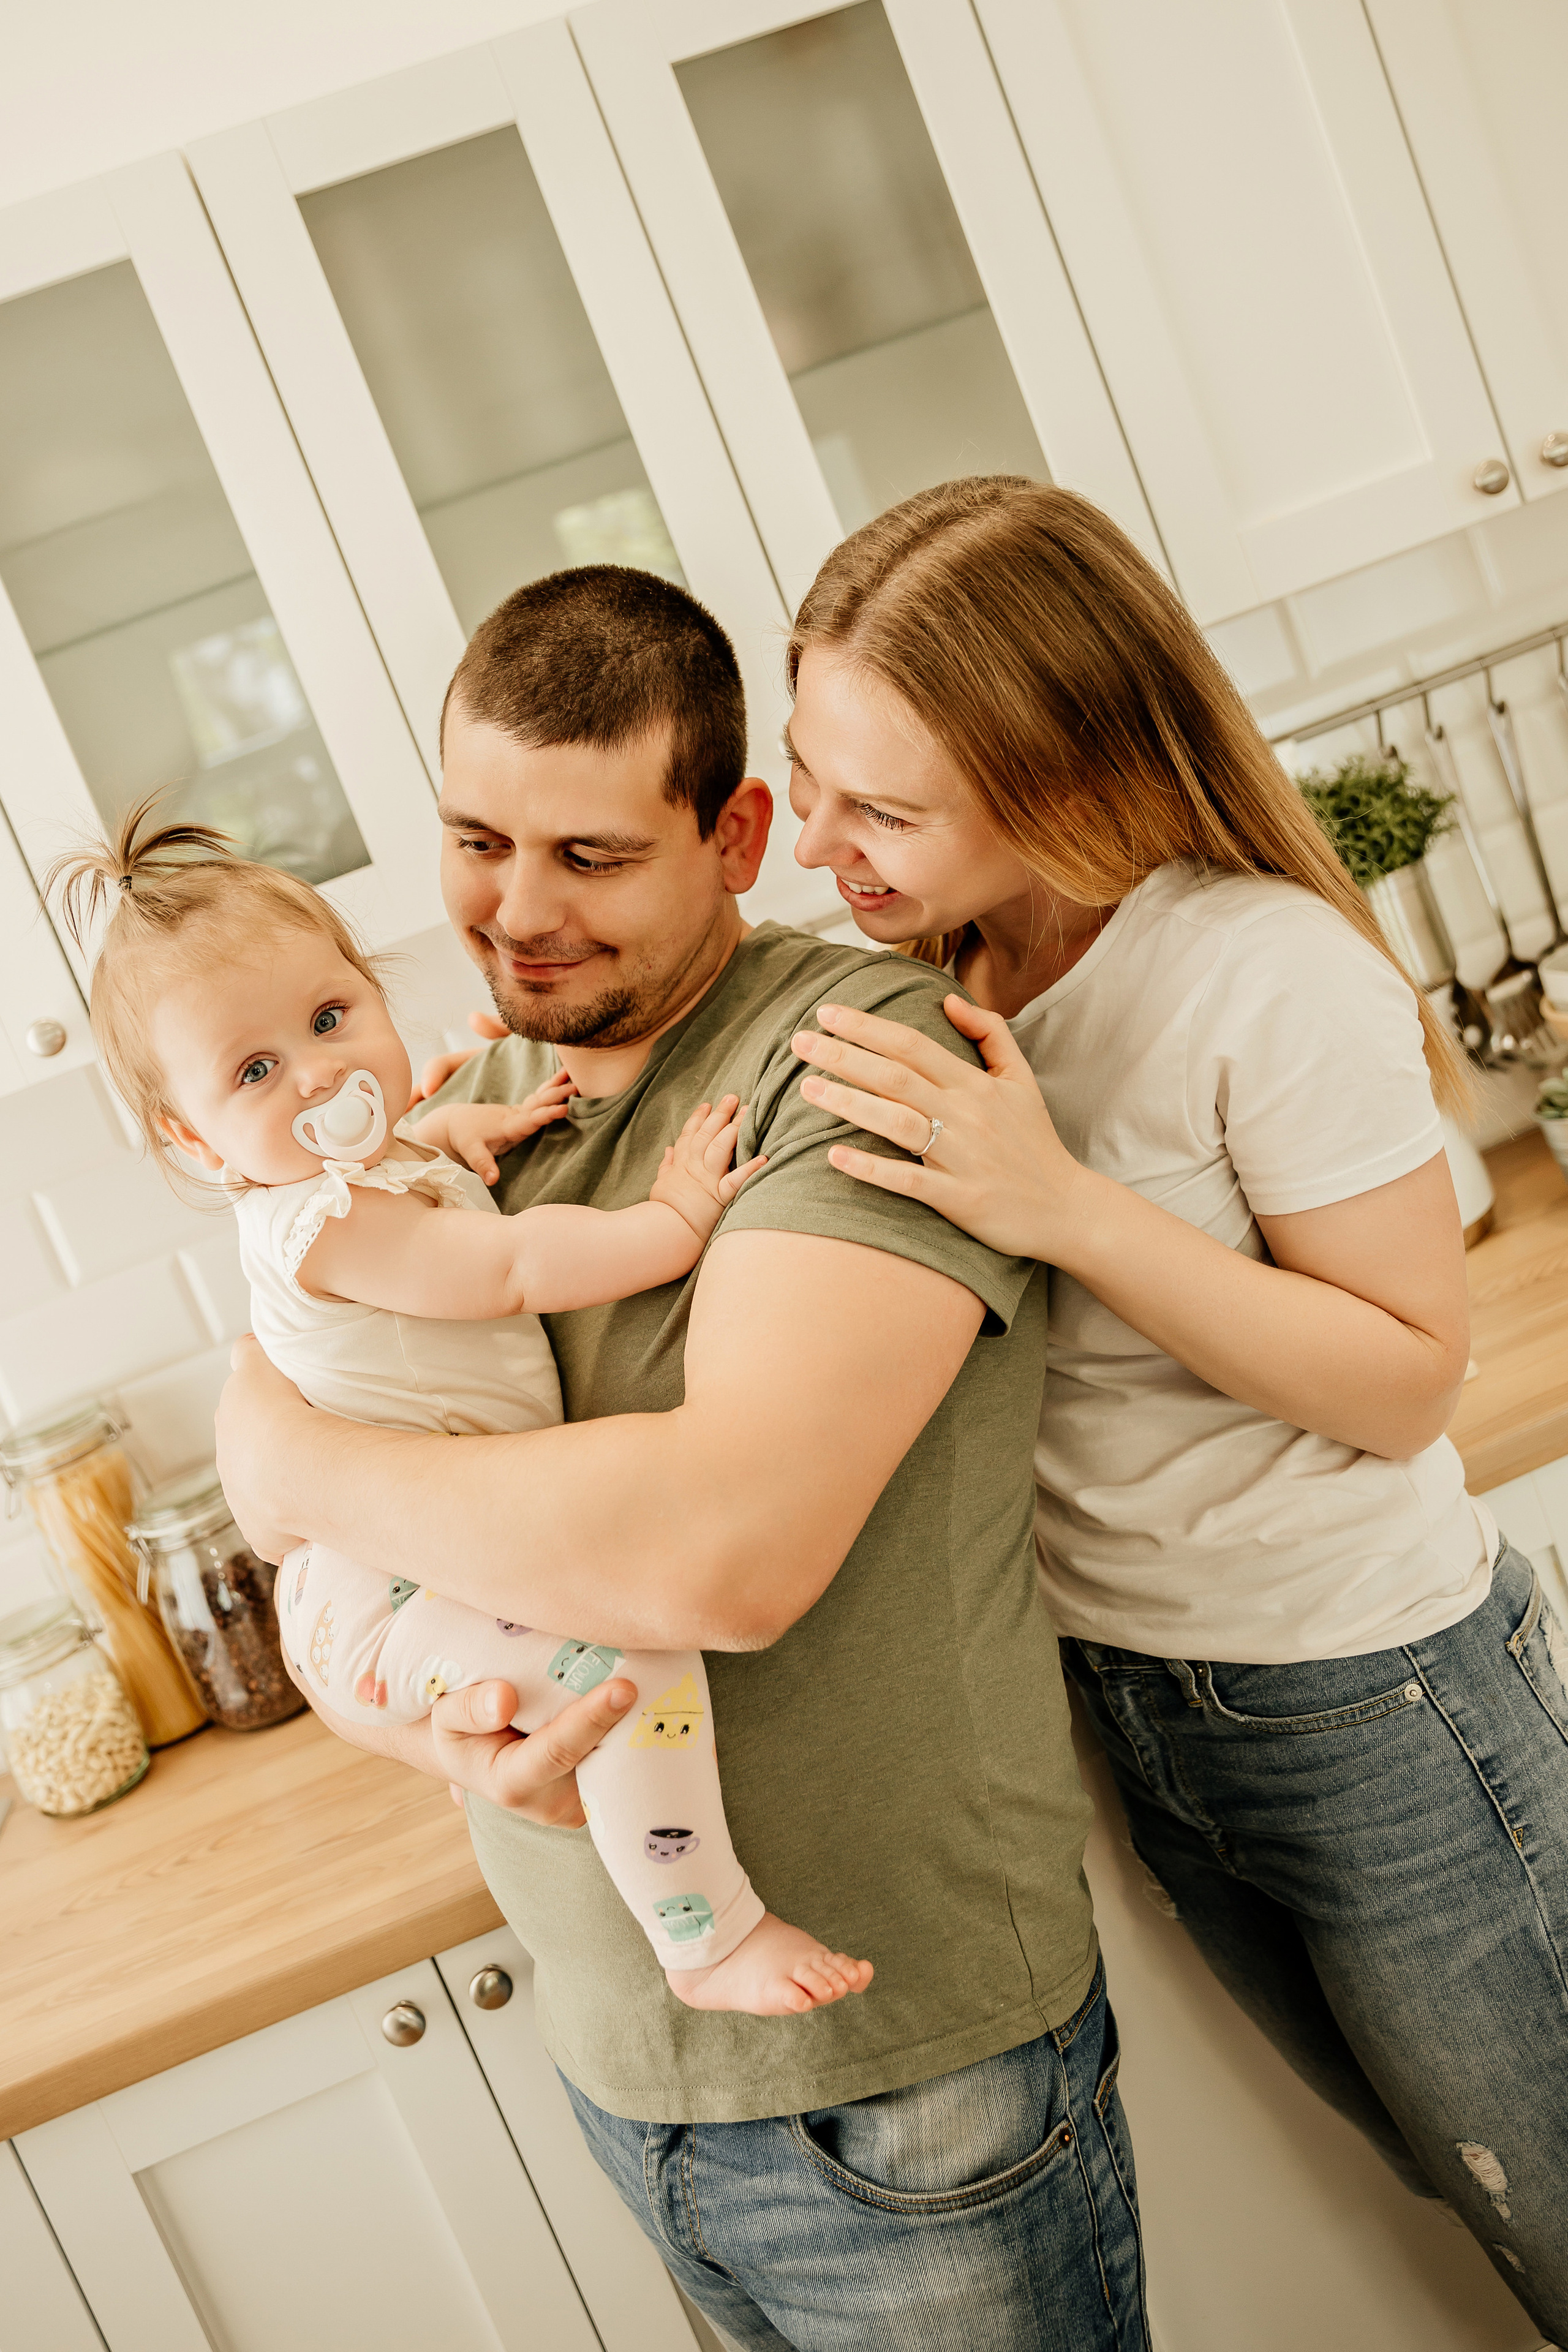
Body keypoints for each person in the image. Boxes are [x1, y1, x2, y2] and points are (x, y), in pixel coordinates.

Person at [213, 564, 1150, 2351]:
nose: (516, 912)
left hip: (904, 2075)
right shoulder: (446, 1112)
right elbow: (360, 1608)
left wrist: (293, 1463)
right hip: (626, 2061)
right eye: (477, 840)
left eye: (591, 856)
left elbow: (723, 1552)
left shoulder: (851, 1061)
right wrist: (435, 1728)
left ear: (734, 834)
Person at [779, 475, 1568, 2339]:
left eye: (883, 809)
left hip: (1376, 1703)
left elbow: (1401, 1378)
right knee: (1474, 2195)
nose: (825, 847)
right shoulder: (950, 973)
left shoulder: (1257, 973)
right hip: (1149, 1712)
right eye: (815, 780)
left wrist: (1060, 1206)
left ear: (1060, 775)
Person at [50, 806, 877, 2019]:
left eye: (330, 1018)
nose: (322, 1074)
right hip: (387, 1591)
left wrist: (472, 1126)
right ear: (190, 1135)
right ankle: (704, 1936)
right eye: (255, 1071)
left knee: (603, 1661)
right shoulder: (323, 1226)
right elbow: (498, 1270)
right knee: (630, 1660)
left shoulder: (369, 1166)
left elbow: (416, 1154)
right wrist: (674, 1223)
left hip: (419, 1565)